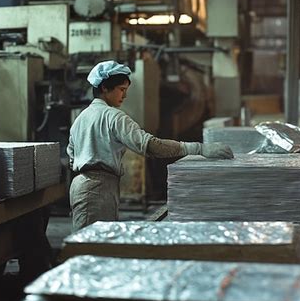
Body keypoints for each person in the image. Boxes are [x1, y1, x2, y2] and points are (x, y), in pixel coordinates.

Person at [67, 60, 234, 231]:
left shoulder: (81, 118)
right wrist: (198, 149)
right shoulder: (113, 116)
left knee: (91, 245)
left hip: (82, 185)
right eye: (121, 90)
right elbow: (151, 146)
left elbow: (72, 158)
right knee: (91, 249)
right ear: (104, 88)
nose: (124, 96)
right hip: (98, 189)